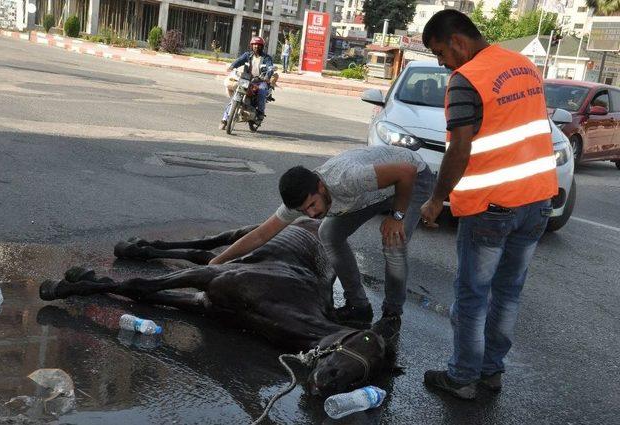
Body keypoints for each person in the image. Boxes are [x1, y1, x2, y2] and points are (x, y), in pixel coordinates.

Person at [419, 10, 558, 399]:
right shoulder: (524, 65)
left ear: (458, 42)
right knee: (509, 293)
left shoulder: (466, 79)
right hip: (538, 201)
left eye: (440, 52)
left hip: (492, 208)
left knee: (473, 294)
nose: (442, 62)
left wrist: (435, 200)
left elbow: (460, 150)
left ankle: (462, 377)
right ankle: (491, 372)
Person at [209, 145, 435, 334]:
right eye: (304, 210)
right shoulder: (303, 198)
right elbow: (261, 234)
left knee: (393, 242)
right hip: (374, 191)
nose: (311, 214)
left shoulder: (346, 180)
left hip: (413, 179)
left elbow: (406, 172)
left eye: (312, 205)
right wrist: (216, 263)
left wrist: (397, 216)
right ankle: (359, 306)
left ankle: (392, 315)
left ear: (320, 186)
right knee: (328, 232)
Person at [219, 36, 274, 130]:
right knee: (236, 96)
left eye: (258, 45)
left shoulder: (266, 58)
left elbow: (270, 68)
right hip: (247, 79)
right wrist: (232, 66)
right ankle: (224, 119)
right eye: (254, 44)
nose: (256, 46)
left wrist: (267, 76)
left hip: (260, 81)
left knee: (262, 91)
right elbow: (239, 61)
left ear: (262, 46)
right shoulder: (247, 55)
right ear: (251, 46)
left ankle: (260, 113)